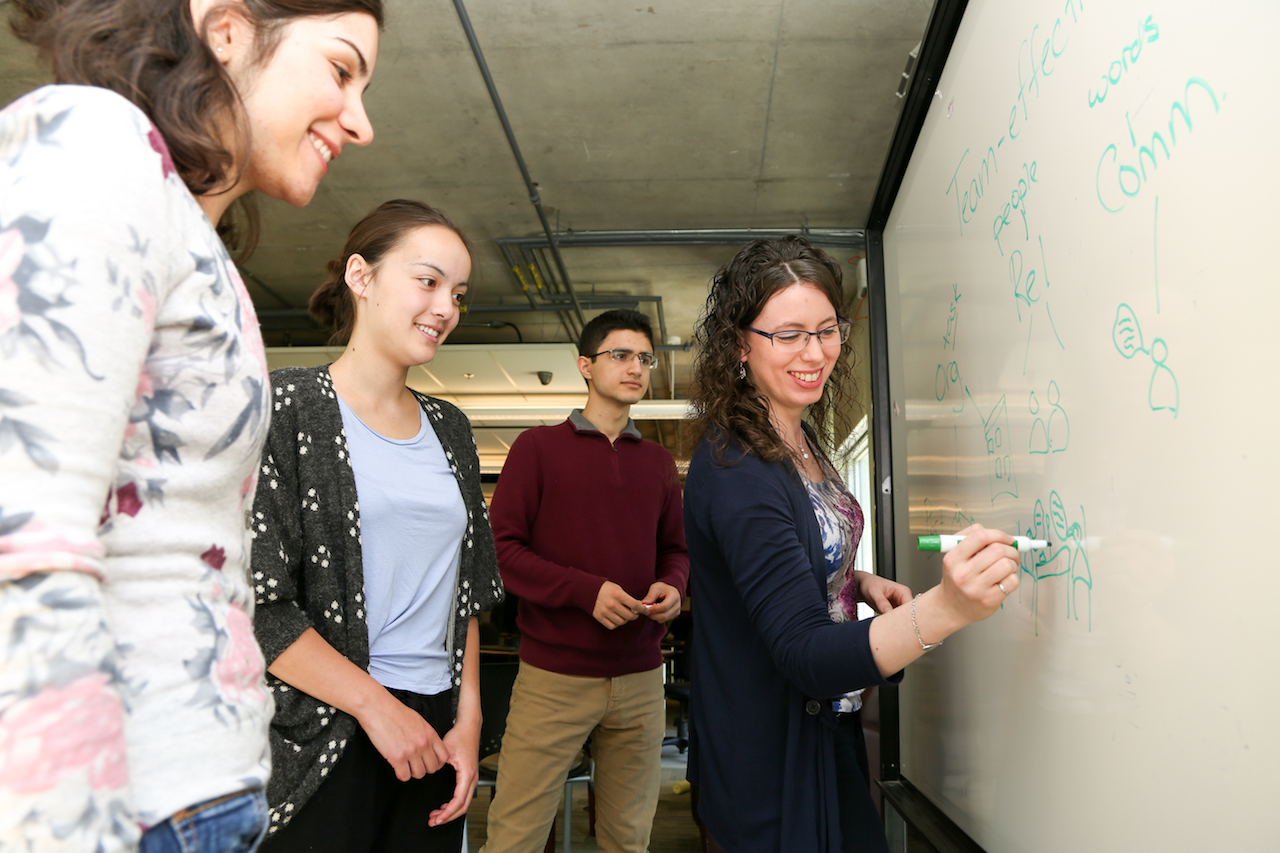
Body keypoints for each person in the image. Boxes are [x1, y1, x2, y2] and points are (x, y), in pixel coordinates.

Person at [0, 0, 382, 850]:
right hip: (123, 806)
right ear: (228, 26)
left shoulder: (190, 234)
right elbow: (22, 524)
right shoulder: (95, 140)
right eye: (342, 68)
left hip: (198, 786)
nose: (360, 120)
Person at [682, 237, 1020, 853]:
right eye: (788, 335)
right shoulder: (738, 469)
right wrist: (948, 608)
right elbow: (806, 654)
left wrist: (851, 580)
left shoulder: (798, 434)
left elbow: (787, 552)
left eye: (827, 329)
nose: (815, 353)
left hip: (825, 733)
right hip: (771, 758)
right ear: (739, 343)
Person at [249, 199, 503, 851]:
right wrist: (375, 705)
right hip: (327, 728)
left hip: (435, 729)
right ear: (361, 278)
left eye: (458, 292)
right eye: (428, 281)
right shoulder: (290, 407)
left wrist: (467, 725)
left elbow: (466, 593)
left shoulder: (450, 428)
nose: (445, 306)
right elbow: (257, 604)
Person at [481, 308, 689, 853]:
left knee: (629, 841)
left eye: (644, 358)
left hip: (643, 679)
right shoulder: (536, 450)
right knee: (515, 838)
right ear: (585, 366)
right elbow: (501, 552)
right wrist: (585, 591)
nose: (636, 367)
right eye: (619, 355)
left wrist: (673, 584)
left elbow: (675, 550)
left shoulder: (660, 464)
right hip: (554, 676)